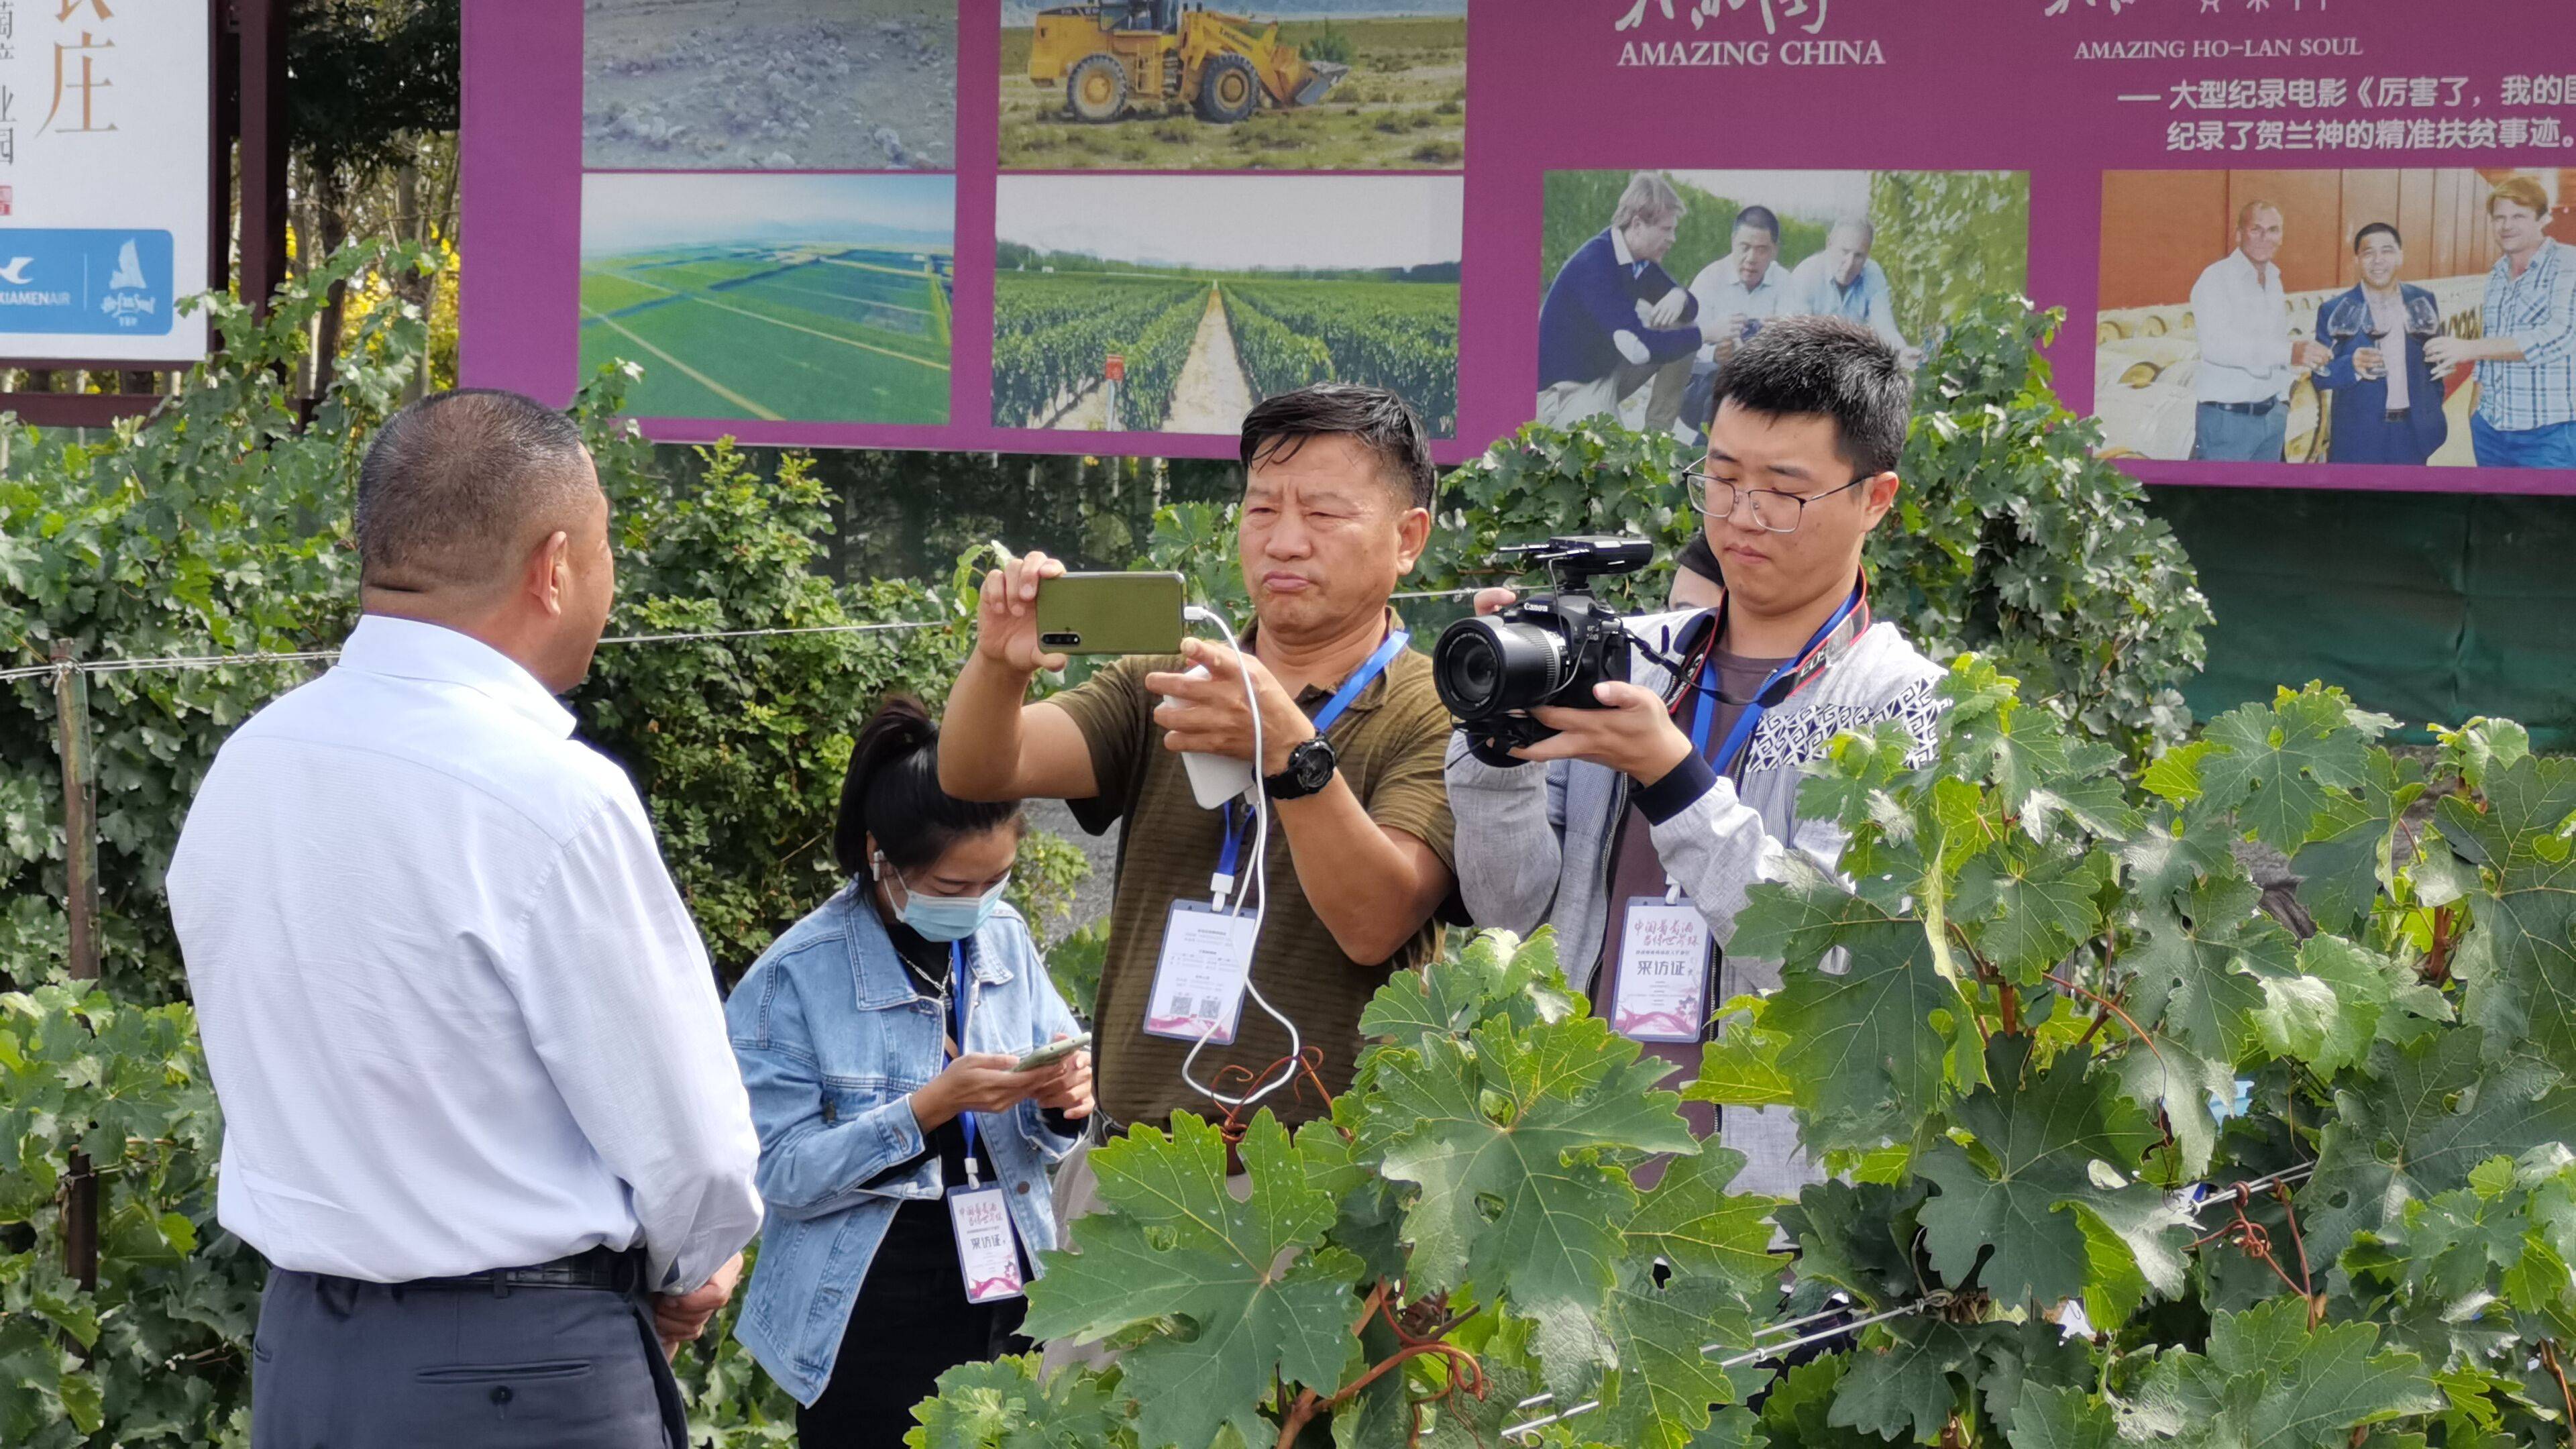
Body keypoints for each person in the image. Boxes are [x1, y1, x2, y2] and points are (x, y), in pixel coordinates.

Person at [166, 390, 763, 1449]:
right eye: (609, 542)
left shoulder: (247, 767)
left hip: (308, 1360)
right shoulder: (550, 798)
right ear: (555, 566)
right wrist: (689, 1270)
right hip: (524, 1375)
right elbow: (698, 1156)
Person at [938, 384, 1456, 1332]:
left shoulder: (1432, 710)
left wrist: (1291, 753)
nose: (1284, 540)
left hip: (1326, 1193)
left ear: (1409, 536)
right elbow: (979, 768)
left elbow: (1376, 918)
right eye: (1263, 508)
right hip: (1133, 1172)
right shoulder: (1171, 678)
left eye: (1325, 513)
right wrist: (999, 665)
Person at [1446, 318, 1944, 1199]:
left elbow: (1835, 971)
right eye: (1719, 479)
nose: (1740, 518)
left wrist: (1675, 782)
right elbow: (1511, 911)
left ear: (1875, 498)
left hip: (1769, 1218)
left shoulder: (1900, 702)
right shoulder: (1625, 661)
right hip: (1573, 1183)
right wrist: (1495, 752)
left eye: (1783, 492)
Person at [727, 698, 1093, 1448]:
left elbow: (1057, 1109)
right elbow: (779, 1175)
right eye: (953, 889)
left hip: (1012, 1280)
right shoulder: (794, 978)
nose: (978, 906)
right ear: (879, 857)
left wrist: (1065, 1102)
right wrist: (923, 1112)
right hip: (871, 1301)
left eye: (997, 881)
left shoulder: (1007, 937)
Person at [1536, 171, 1705, 434]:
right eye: (1667, 229)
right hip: (1563, 392)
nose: (1673, 238)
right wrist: (1704, 335)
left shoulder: (1639, 261)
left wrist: (1679, 295)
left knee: (1682, 326)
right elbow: (1637, 349)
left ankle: (1658, 436)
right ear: (1637, 225)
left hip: (1604, 374)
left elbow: (1690, 308)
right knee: (1615, 463)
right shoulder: (1596, 263)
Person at [2426, 176, 2576, 468]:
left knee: (2542, 515)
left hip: (2549, 436)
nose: (2507, 226)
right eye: (2499, 218)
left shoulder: (2567, 263)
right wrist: (2475, 408)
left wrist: (2469, 349)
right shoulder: (2497, 274)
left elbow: (2561, 334)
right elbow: (2492, 340)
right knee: (2496, 512)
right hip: (2490, 430)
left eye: (2518, 216)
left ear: (2543, 219)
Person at [2188, 199, 2337, 462]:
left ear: (2282, 237)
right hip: (2229, 421)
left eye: (2273, 230)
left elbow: (2270, 342)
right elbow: (2217, 346)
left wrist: (2282, 401)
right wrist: (2290, 352)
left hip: (2271, 418)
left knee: (2264, 501)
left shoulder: (2274, 280)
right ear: (2238, 234)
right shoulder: (2215, 278)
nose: (2265, 237)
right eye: (2256, 229)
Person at [2310, 223, 2449, 466]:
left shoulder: (2422, 300)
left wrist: (2431, 410)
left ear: (2400, 256)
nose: (2378, 260)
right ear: (2357, 260)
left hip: (2412, 434)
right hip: (2357, 438)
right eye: (2368, 253)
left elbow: (2433, 363)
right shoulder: (2334, 310)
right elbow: (2320, 376)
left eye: (2387, 251)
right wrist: (2351, 366)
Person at [1672, 204, 1794, 444]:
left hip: (1761, 382)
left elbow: (1795, 346)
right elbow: (1684, 344)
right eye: (1745, 247)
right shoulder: (1709, 279)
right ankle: (1704, 457)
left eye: (1762, 250)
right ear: (1733, 242)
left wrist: (1777, 336)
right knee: (1721, 391)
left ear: (1774, 251)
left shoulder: (1786, 284)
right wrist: (1715, 352)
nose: (1751, 258)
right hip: (1704, 387)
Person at [1782, 217, 1922, 368]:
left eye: (1859, 256)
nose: (1849, 264)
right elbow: (1800, 339)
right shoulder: (1806, 275)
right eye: (1845, 252)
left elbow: (1884, 323)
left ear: (1868, 255)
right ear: (1829, 244)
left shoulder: (1873, 274)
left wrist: (1900, 351)